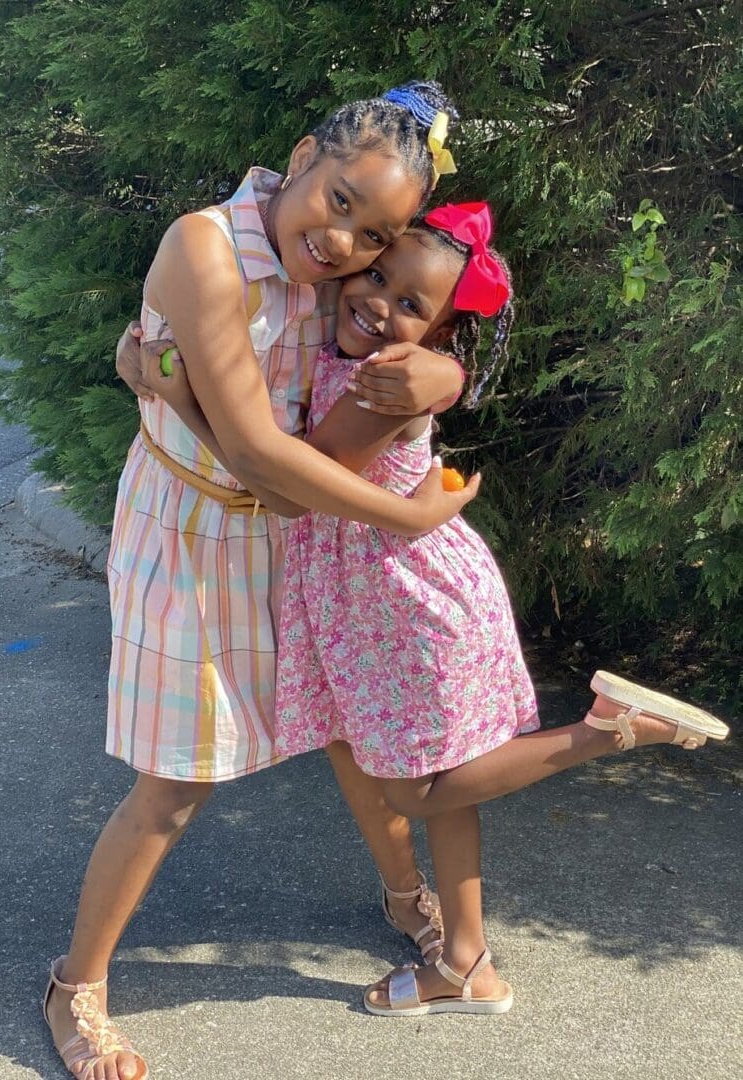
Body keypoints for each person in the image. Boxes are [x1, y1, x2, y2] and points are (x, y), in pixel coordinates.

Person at [43, 82, 478, 1080]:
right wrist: (410, 516)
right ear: (300, 157)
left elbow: (444, 313)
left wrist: (451, 379)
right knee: (177, 781)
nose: (347, 246)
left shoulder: (341, 271)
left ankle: (409, 904)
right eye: (338, 203)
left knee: (354, 733)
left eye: (375, 232)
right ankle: (78, 985)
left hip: (302, 544)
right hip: (194, 535)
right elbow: (260, 461)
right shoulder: (207, 248)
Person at [263, 201, 729, 1016]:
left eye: (411, 304)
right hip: (375, 600)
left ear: (440, 333)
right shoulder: (351, 348)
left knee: (417, 791)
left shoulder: (385, 378)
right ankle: (466, 963)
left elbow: (301, 481)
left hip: (402, 605)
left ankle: (604, 730)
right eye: (377, 275)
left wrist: (180, 400)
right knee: (447, 778)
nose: (379, 301)